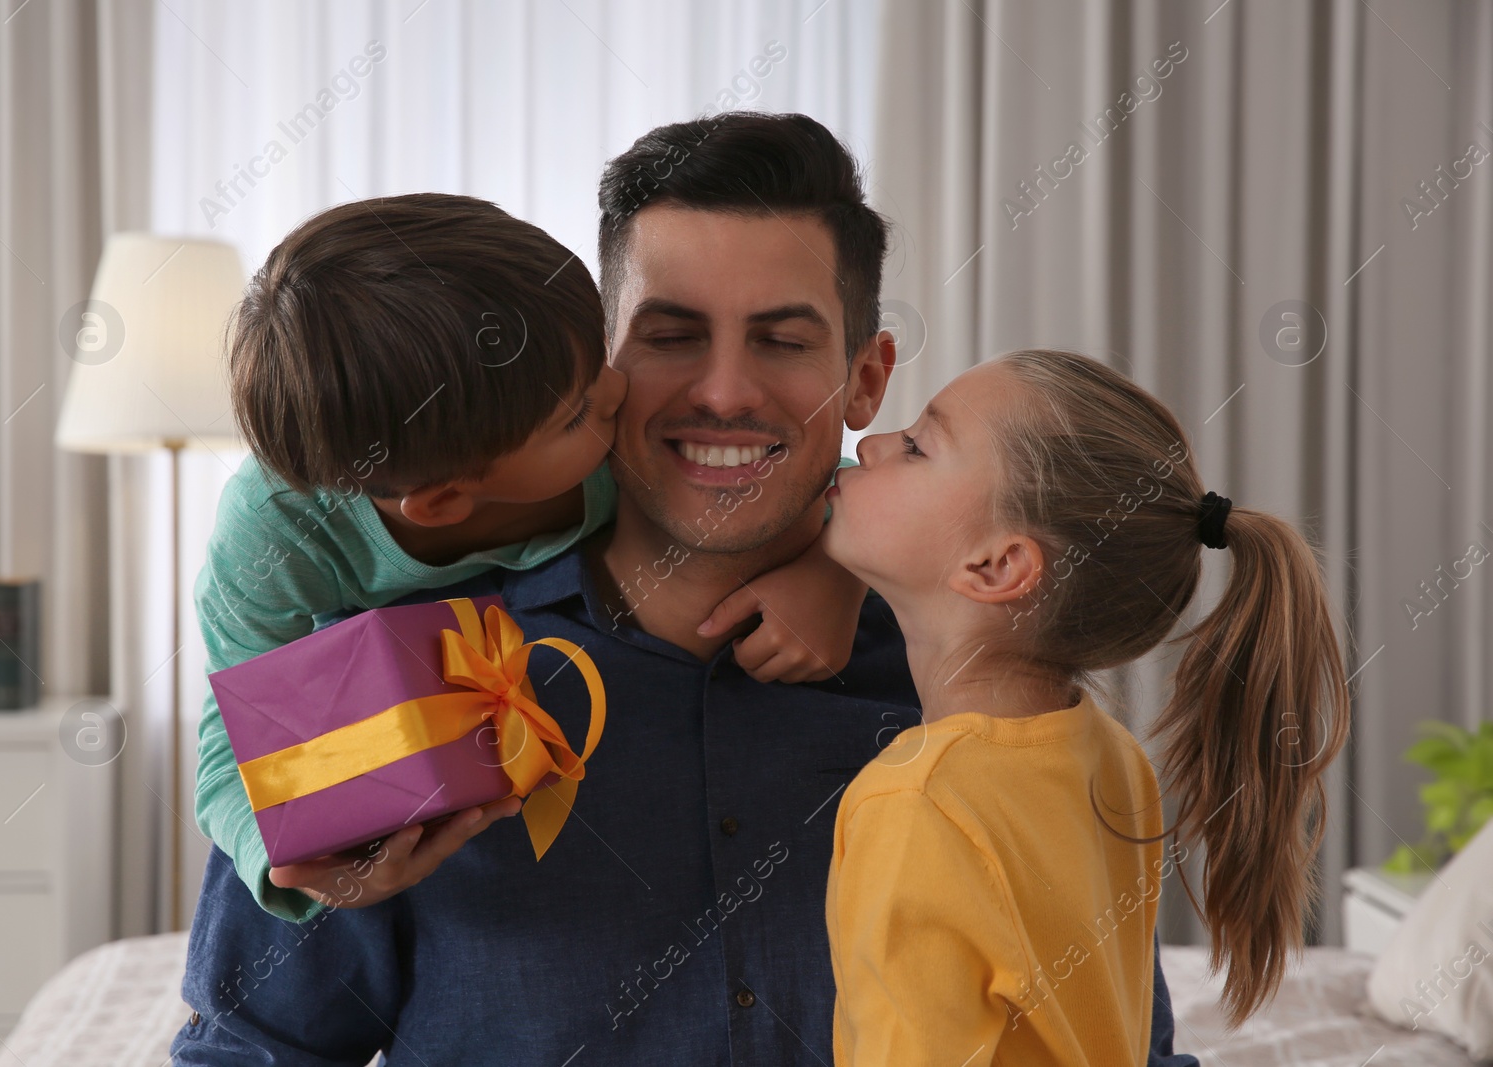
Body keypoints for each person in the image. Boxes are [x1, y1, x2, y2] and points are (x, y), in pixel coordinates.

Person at [172, 113, 1198, 1066]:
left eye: (782, 340)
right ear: (599, 368)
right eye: (668, 336)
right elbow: (246, 1049)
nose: (722, 392)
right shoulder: (390, 678)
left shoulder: (994, 707)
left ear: (866, 379)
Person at [193, 192, 866, 920]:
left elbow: (813, 466)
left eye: (597, 353)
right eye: (575, 411)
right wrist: (294, 866)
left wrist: (837, 569)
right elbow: (233, 745)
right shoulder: (272, 539)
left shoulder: (616, 444)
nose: (617, 389)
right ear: (446, 501)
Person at [823, 350, 1349, 1063]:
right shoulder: (1110, 756)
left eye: (917, 445)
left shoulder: (913, 804)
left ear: (997, 566)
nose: (874, 442)